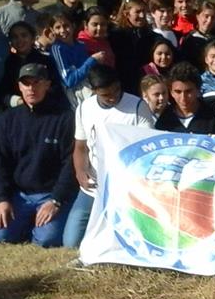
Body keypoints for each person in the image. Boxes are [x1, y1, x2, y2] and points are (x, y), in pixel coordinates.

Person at [65, 65, 153, 248]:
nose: (113, 97)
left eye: (116, 91)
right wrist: (80, 172)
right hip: (93, 188)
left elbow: (147, 149)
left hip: (126, 187)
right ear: (94, 90)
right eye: (106, 95)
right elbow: (80, 147)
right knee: (70, 242)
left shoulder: (137, 107)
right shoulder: (84, 109)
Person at [0, 63, 77, 248]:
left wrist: (57, 200)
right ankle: (25, 224)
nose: (31, 88)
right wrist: (1, 199)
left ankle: (41, 225)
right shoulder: (8, 119)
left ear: (47, 84)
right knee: (0, 235)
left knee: (47, 239)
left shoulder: (64, 118)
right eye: (26, 83)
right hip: (19, 195)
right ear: (20, 87)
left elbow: (70, 163)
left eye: (36, 82)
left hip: (51, 194)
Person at [0, 20, 62, 109]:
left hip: (47, 107)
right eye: (15, 37)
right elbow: (4, 93)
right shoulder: (9, 63)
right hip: (20, 110)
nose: (19, 40)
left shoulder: (45, 60)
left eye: (24, 35)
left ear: (32, 38)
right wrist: (19, 101)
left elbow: (56, 86)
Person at [49, 11, 104, 109]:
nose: (63, 30)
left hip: (90, 89)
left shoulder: (81, 45)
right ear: (52, 30)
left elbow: (86, 71)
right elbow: (69, 80)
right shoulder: (57, 49)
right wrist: (92, 60)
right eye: (57, 27)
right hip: (76, 96)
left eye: (66, 26)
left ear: (73, 26)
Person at [154, 63, 215, 135]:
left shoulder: (214, 117)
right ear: (171, 92)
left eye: (188, 91)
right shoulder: (165, 119)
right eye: (178, 92)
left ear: (198, 90)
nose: (183, 97)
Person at [112, 0, 161, 94]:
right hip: (124, 86)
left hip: (145, 86)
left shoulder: (149, 34)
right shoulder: (116, 35)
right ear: (126, 14)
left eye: (144, 11)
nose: (142, 16)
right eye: (137, 12)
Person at [179, 1, 215, 69]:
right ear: (198, 16)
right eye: (206, 16)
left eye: (213, 17)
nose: (209, 20)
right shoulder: (189, 39)